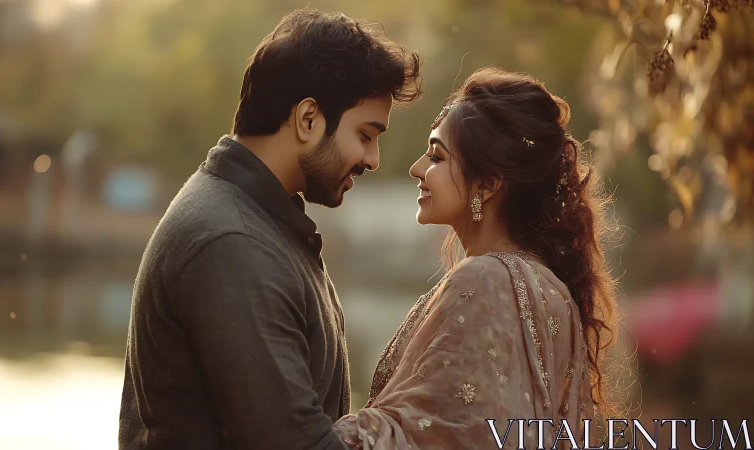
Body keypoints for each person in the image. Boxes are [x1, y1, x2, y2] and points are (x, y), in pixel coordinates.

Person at [118, 9, 422, 449]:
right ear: (308, 119)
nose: (373, 158)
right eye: (366, 134)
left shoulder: (254, 222)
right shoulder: (233, 244)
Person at [332, 68, 620, 449]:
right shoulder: (553, 290)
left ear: (487, 183)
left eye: (436, 156)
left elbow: (445, 433)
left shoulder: (483, 279)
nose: (417, 169)